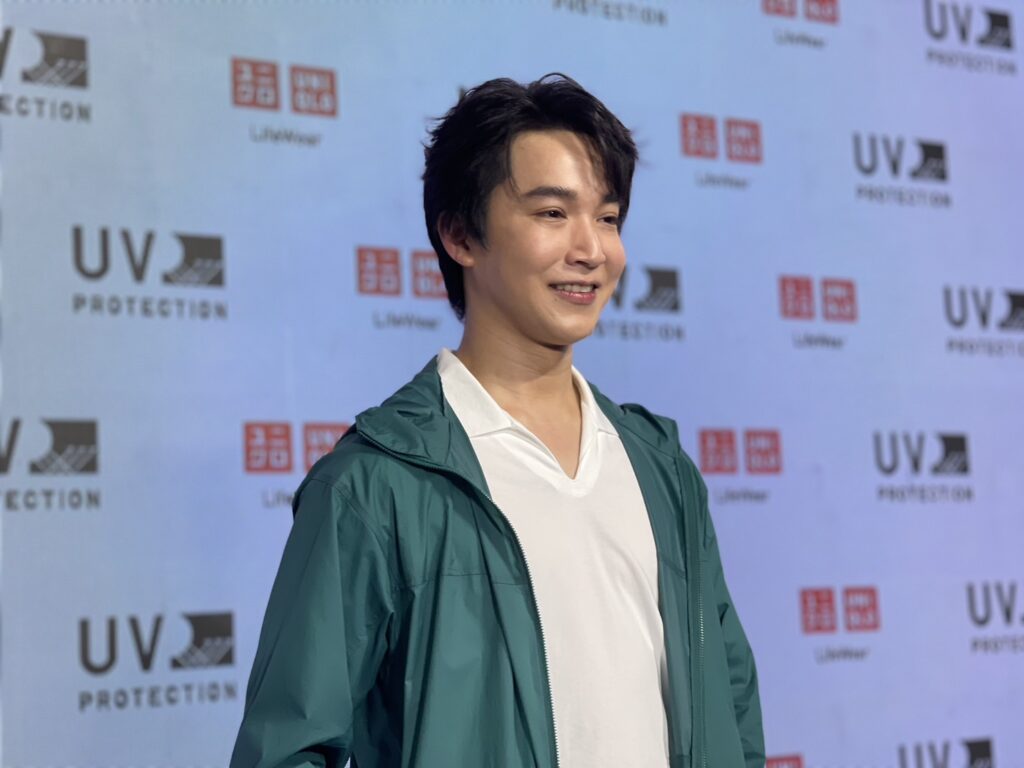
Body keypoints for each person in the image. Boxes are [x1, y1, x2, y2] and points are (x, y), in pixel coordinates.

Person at [230, 73, 764, 768]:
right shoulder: (376, 484)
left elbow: (732, 708)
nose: (591, 249)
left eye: (608, 218)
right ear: (460, 235)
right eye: (553, 213)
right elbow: (288, 748)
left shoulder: (660, 467)